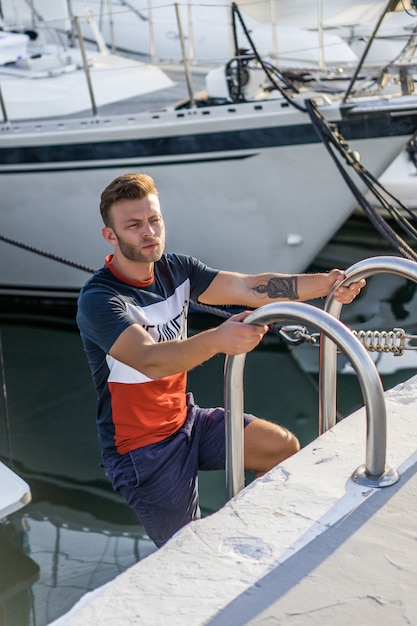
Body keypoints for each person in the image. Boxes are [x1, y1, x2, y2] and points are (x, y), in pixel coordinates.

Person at [76, 172, 366, 548]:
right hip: (141, 451)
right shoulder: (100, 300)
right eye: (133, 225)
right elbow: (148, 360)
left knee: (281, 448)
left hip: (187, 421)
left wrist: (326, 284)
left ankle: (253, 542)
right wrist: (217, 339)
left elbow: (249, 287)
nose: (149, 232)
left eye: (154, 220)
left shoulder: (174, 269)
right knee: (188, 552)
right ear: (110, 236)